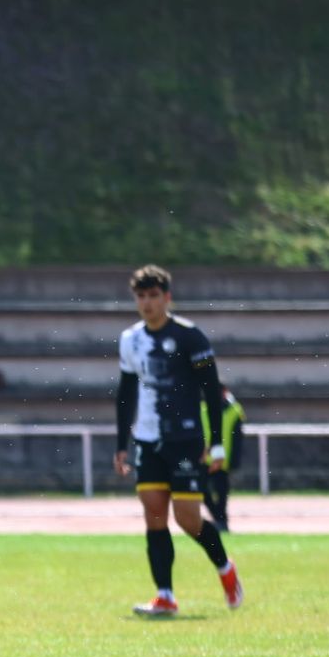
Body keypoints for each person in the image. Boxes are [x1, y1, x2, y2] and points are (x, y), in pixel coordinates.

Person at [114, 264, 243, 617]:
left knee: (187, 519)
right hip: (147, 440)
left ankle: (225, 569)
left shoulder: (190, 337)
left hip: (185, 439)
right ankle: (165, 595)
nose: (147, 303)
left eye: (154, 296)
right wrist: (122, 444)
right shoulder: (130, 340)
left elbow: (211, 392)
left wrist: (216, 443)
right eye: (141, 296)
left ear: (167, 297)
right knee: (154, 515)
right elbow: (126, 393)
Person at [201, 385, 245, 531]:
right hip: (205, 459)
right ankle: (219, 518)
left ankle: (221, 520)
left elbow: (237, 438)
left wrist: (234, 460)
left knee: (222, 492)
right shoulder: (201, 408)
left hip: (224, 460)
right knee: (202, 490)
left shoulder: (234, 410)